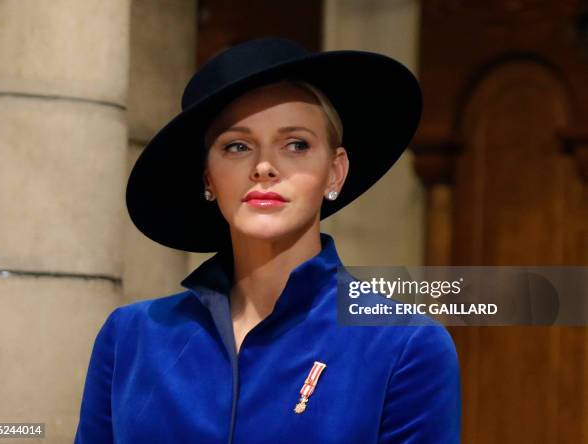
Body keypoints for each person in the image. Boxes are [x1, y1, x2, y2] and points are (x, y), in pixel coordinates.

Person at [75, 37, 461, 443]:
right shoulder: (131, 338)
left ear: (335, 171)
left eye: (295, 144)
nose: (263, 167)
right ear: (208, 177)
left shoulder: (403, 345)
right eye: (237, 146)